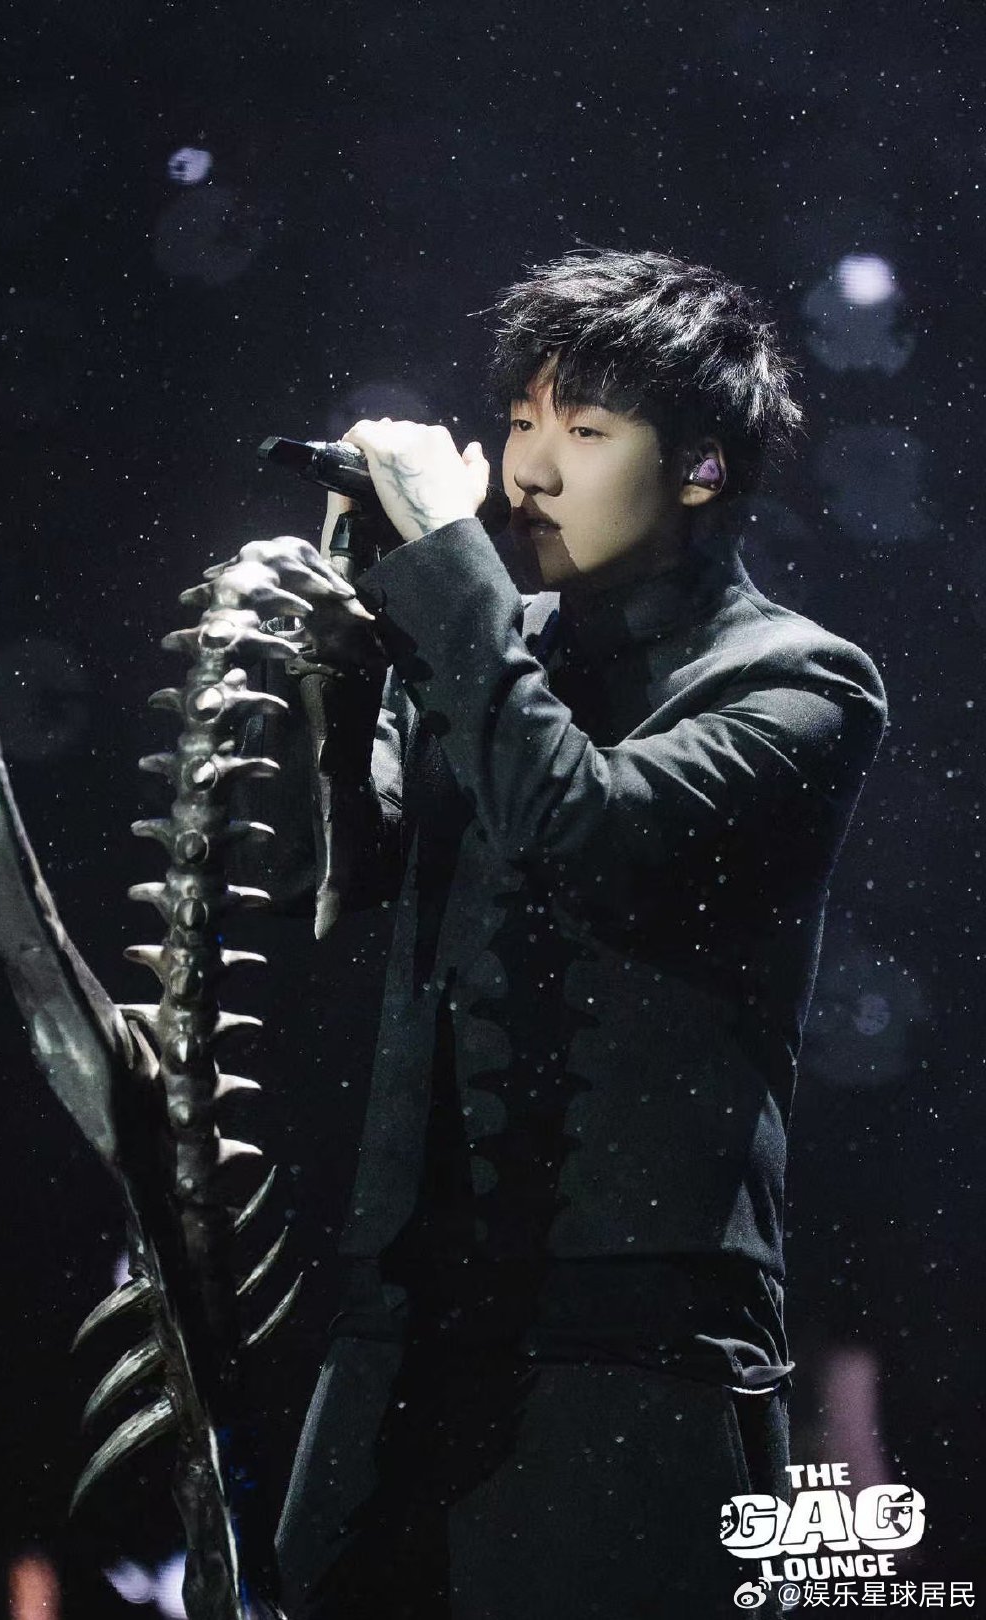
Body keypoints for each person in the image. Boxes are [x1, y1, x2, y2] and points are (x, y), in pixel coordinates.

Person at [237, 249, 888, 1617]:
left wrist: (450, 578)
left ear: (701, 468)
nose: (528, 470)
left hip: (627, 1364)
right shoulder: (495, 649)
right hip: (398, 1336)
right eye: (520, 421)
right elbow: (330, 880)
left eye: (585, 433)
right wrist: (342, 659)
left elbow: (580, 829)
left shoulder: (799, 684)